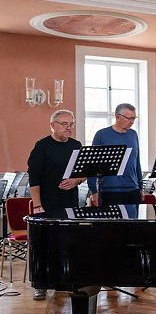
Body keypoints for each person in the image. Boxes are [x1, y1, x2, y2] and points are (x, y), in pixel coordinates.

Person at [27, 109, 85, 300]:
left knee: (67, 242)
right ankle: (41, 285)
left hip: (70, 202)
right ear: (52, 125)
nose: (69, 128)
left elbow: (84, 172)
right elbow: (33, 177)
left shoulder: (76, 145)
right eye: (64, 124)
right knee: (44, 244)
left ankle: (64, 280)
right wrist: (37, 205)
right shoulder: (42, 146)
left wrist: (75, 181)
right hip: (46, 203)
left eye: (71, 124)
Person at [88, 103, 142, 207]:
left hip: (133, 190)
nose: (132, 122)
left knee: (135, 223)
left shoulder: (133, 134)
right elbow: (92, 165)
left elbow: (136, 162)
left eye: (134, 118)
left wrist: (140, 187)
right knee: (112, 223)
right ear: (117, 117)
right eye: (129, 118)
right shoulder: (101, 135)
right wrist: (94, 191)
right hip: (110, 191)